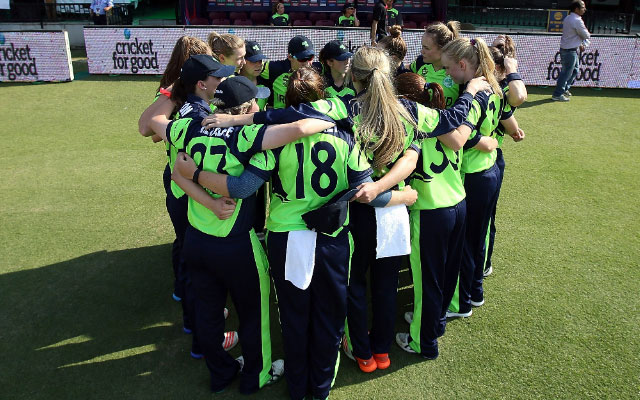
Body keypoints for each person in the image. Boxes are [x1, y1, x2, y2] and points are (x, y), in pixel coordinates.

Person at [146, 63, 333, 394]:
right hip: (236, 245)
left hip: (196, 240)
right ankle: (256, 375)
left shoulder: (186, 127)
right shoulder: (248, 134)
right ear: (246, 108)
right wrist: (331, 113)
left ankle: (219, 372)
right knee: (253, 313)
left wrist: (207, 199)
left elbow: (166, 150)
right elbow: (302, 129)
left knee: (207, 312)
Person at [137, 37, 238, 359]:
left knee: (187, 250)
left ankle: (192, 314)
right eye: (211, 67)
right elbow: (147, 128)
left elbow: (154, 132)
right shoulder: (176, 95)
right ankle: (200, 327)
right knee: (195, 258)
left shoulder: (180, 97)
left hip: (183, 179)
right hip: (187, 182)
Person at [394, 72, 482, 360]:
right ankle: (436, 323)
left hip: (431, 212)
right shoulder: (446, 118)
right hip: (458, 204)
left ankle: (423, 341)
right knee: (445, 275)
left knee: (427, 281)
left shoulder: (410, 125)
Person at [439, 37, 515, 319]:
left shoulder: (474, 93)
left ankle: (459, 304)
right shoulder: (493, 85)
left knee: (465, 242)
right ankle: (476, 291)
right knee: (477, 236)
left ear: (462, 64)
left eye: (448, 68)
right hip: (490, 170)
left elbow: (460, 136)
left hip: (473, 174)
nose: (446, 74)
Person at [483, 40, 527, 278]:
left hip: (490, 157)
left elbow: (519, 97)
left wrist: (512, 70)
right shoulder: (484, 85)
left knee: (486, 217)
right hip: (473, 157)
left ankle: (484, 262)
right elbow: (513, 127)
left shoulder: (505, 89)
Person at [259, 35, 323, 109]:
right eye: (302, 59)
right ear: (290, 57)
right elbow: (249, 65)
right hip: (280, 118)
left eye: (310, 58)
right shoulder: (273, 69)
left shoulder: (319, 69)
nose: (307, 63)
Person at [410, 21, 463, 108]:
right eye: (422, 46)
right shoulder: (420, 63)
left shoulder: (457, 71)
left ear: (443, 48)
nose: (422, 51)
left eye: (426, 48)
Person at [552, 0, 590, 101]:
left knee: (574, 70)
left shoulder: (569, 18)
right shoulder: (577, 20)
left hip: (569, 49)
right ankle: (557, 94)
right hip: (570, 50)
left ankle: (564, 89)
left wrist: (581, 43)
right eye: (583, 7)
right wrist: (583, 41)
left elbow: (577, 34)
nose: (584, 9)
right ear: (576, 9)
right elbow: (586, 35)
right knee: (566, 72)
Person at [240, 41, 269, 111]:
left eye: (260, 60)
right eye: (253, 61)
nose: (259, 64)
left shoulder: (266, 83)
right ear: (243, 60)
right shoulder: (233, 82)